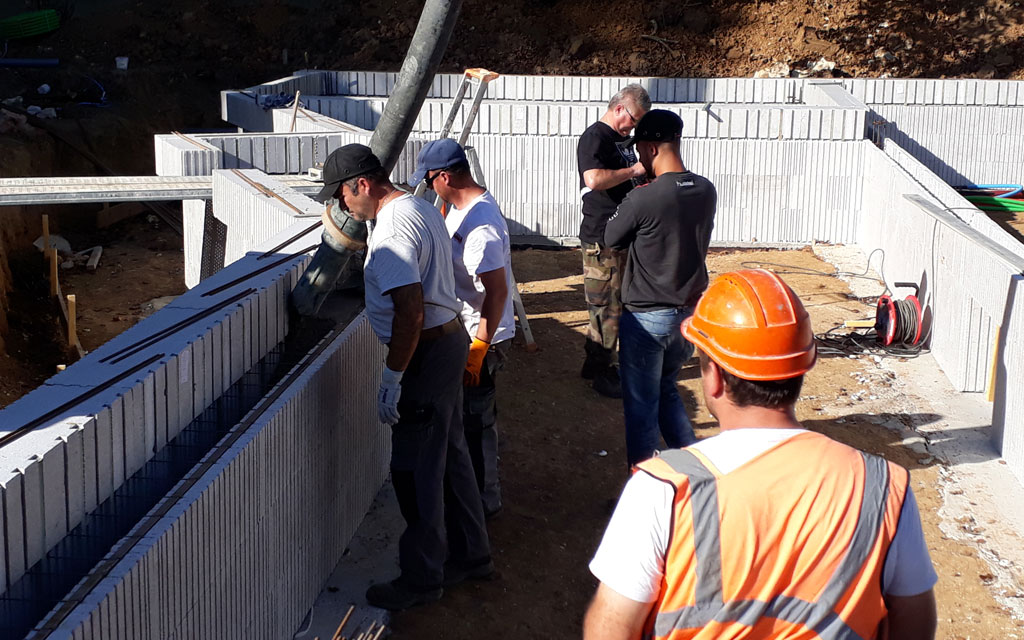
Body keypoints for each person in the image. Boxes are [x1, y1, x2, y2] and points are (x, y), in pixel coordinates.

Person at [584, 269, 938, 640]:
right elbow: (915, 623)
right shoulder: (885, 488)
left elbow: (611, 628)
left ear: (714, 377)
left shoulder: (662, 489)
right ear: (803, 367)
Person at [314, 144, 492, 611]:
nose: (341, 205)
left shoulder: (392, 231)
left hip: (426, 352)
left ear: (362, 185)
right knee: (450, 454)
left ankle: (422, 578)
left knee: (415, 470)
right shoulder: (418, 206)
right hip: (447, 342)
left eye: (341, 195)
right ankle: (472, 553)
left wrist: (393, 376)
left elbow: (410, 312)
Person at [604, 109, 716, 469]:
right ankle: (696, 475)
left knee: (641, 409)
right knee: (667, 389)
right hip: (689, 314)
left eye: (640, 150)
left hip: (647, 317)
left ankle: (646, 487)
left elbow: (611, 237)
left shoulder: (644, 197)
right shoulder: (705, 189)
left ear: (651, 148)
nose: (639, 159)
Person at [410, 138, 515, 518]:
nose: (428, 188)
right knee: (467, 417)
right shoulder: (462, 207)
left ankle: (485, 502)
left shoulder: (481, 229)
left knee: (476, 421)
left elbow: (498, 292)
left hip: (480, 335)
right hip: (468, 328)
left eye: (429, 181)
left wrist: (479, 349)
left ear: (445, 176)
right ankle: (471, 494)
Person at [577, 83, 651, 398]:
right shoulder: (596, 137)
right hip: (602, 237)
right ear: (619, 107)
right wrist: (633, 170)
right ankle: (602, 372)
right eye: (632, 119)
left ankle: (595, 363)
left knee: (610, 304)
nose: (632, 127)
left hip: (618, 235)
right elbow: (593, 179)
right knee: (607, 307)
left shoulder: (621, 140)